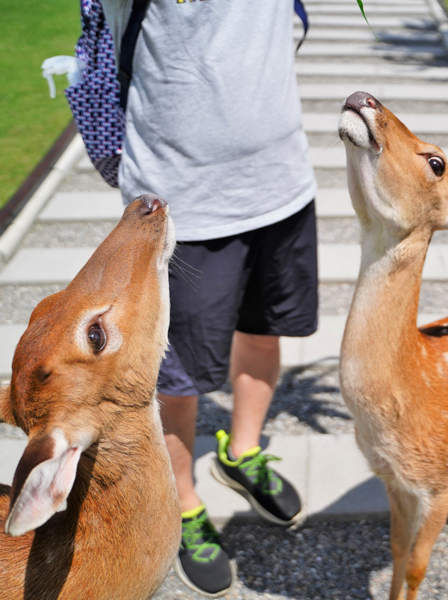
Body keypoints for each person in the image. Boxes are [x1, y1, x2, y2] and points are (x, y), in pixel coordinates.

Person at [99, 1, 317, 596]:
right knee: (176, 375)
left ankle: (241, 453)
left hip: (282, 185)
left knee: (263, 330)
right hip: (186, 205)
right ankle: (183, 503)